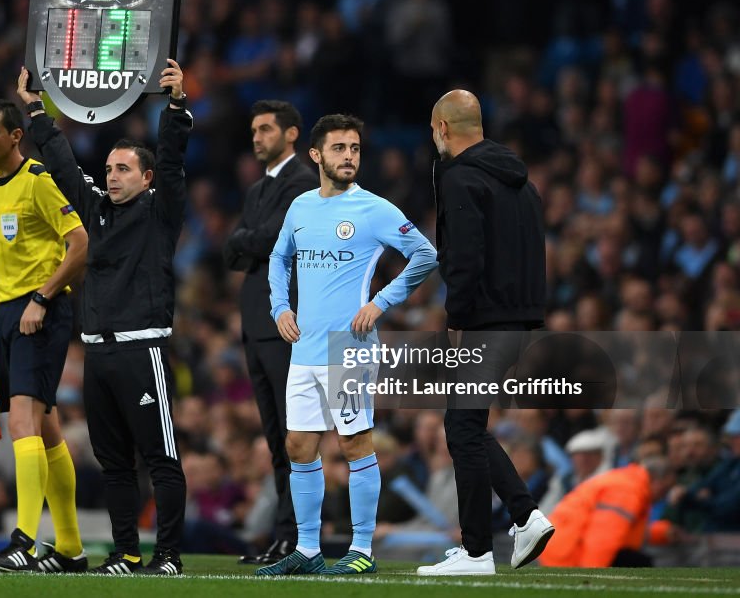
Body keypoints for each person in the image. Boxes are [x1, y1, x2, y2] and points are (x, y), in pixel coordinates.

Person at [16, 59, 192, 576]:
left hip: (143, 349)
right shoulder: (94, 210)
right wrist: (33, 108)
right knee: (114, 463)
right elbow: (64, 164)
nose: (113, 176)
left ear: (146, 177)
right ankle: (126, 553)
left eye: (124, 170)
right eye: (110, 168)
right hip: (97, 350)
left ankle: (168, 556)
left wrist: (176, 106)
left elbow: (174, 161)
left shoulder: (161, 211)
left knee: (159, 457)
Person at [259, 114, 438, 576]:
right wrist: (280, 307)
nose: (349, 157)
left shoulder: (374, 208)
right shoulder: (300, 207)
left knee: (354, 442)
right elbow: (279, 258)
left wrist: (381, 303)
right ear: (316, 155)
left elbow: (425, 254)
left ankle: (361, 549)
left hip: (348, 347)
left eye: (355, 149)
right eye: (339, 149)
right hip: (305, 347)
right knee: (299, 445)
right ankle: (307, 549)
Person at [417, 90, 553, 577]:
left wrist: (456, 319)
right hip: (517, 320)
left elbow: (465, 258)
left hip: (482, 321)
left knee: (462, 429)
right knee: (467, 427)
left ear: (443, 128)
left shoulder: (460, 178)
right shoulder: (523, 184)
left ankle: (482, 547)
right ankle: (518, 521)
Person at [0, 98, 88, 573]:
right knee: (44, 428)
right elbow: (1, 261)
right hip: (9, 314)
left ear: (15, 136)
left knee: (22, 422)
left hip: (41, 312)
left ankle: (23, 540)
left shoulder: (39, 181)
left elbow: (79, 243)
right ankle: (70, 548)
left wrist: (41, 298)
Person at [223, 100, 318, 564]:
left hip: (285, 325)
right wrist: (249, 241)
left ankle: (298, 537)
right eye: (254, 130)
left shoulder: (302, 183)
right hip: (257, 326)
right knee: (277, 437)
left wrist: (249, 241)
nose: (257, 137)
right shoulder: (259, 188)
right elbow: (233, 248)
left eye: (265, 129)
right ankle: (287, 534)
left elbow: (263, 241)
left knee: (293, 435)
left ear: (292, 134)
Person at [539, 457, 677, 567]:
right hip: (569, 554)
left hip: (563, 546)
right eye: (665, 489)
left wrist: (661, 532)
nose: (663, 497)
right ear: (658, 481)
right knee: (640, 563)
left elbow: (625, 532)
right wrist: (591, 578)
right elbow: (604, 536)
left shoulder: (628, 482)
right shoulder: (627, 491)